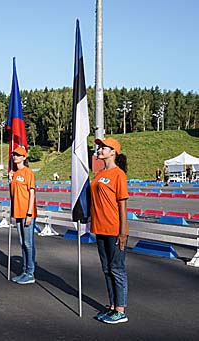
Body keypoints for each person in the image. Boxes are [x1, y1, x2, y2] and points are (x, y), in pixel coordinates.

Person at [91, 137, 129, 324]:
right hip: (100, 227)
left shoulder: (118, 174)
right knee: (106, 269)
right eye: (99, 147)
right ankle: (113, 306)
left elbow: (122, 204)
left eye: (103, 147)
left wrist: (123, 232)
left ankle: (121, 310)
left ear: (113, 151)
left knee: (117, 269)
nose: (99, 149)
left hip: (115, 228)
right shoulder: (98, 174)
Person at [9, 146, 37, 285]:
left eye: (18, 155)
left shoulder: (28, 172)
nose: (15, 157)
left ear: (24, 157)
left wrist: (30, 213)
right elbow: (13, 194)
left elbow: (31, 193)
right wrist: (10, 180)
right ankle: (25, 271)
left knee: (28, 243)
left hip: (27, 212)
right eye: (14, 154)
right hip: (17, 212)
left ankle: (30, 272)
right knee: (22, 243)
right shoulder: (14, 174)